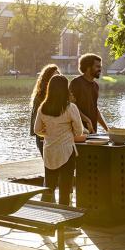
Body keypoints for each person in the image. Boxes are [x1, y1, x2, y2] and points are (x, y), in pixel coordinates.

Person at [34, 74, 86, 205]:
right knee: (65, 189)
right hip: (66, 151)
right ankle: (63, 221)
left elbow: (36, 130)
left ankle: (45, 220)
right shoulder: (70, 108)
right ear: (65, 89)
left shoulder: (43, 107)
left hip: (49, 150)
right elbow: (79, 131)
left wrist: (47, 132)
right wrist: (68, 132)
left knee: (49, 188)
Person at [69, 53, 109, 134]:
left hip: (92, 131)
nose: (100, 69)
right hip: (78, 131)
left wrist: (107, 129)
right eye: (97, 66)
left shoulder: (95, 86)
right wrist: (87, 120)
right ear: (88, 68)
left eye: (100, 67)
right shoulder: (76, 83)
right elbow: (71, 107)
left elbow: (95, 109)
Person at [30, 64, 60, 156]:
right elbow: (36, 123)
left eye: (59, 76)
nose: (58, 79)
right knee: (50, 168)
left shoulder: (59, 96)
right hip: (44, 139)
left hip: (58, 139)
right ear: (47, 80)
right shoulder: (40, 97)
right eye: (55, 77)